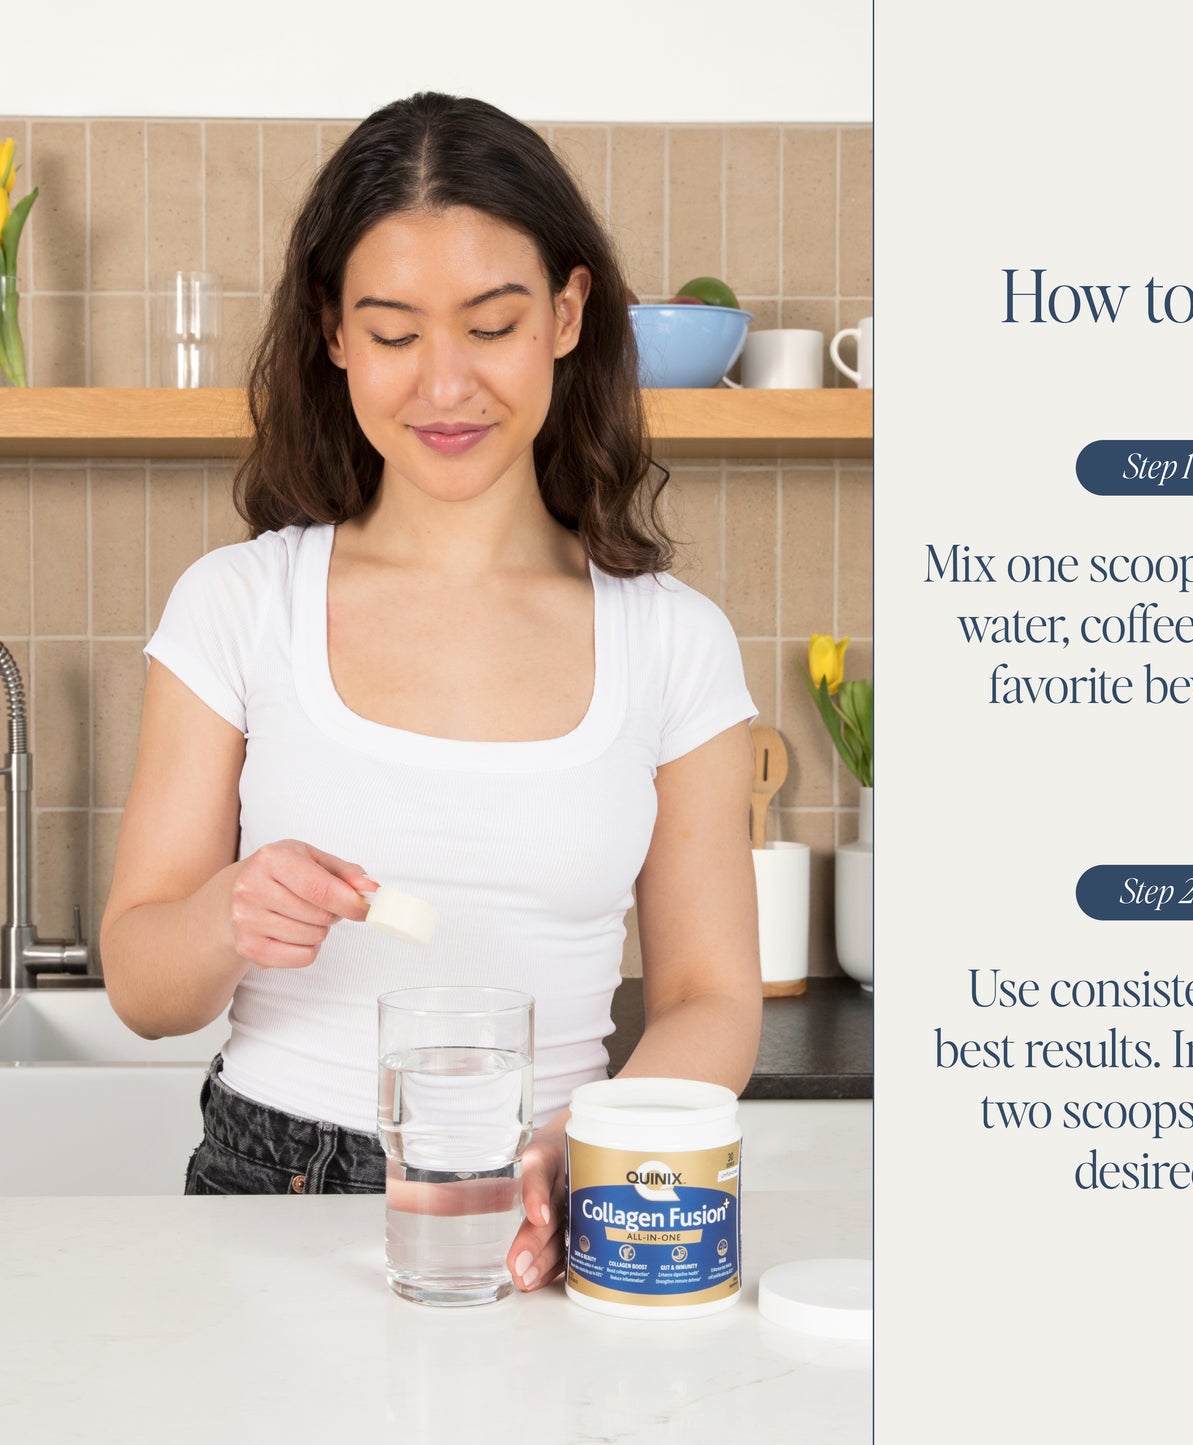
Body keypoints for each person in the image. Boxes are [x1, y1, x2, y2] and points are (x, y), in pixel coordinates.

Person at [99, 91, 762, 1297]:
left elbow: (707, 995)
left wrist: (594, 1149)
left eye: (492, 324)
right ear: (333, 333)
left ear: (565, 314)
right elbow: (144, 985)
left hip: (543, 1204)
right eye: (394, 332)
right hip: (271, 1192)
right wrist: (229, 910)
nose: (444, 384)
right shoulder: (238, 603)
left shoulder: (675, 642)